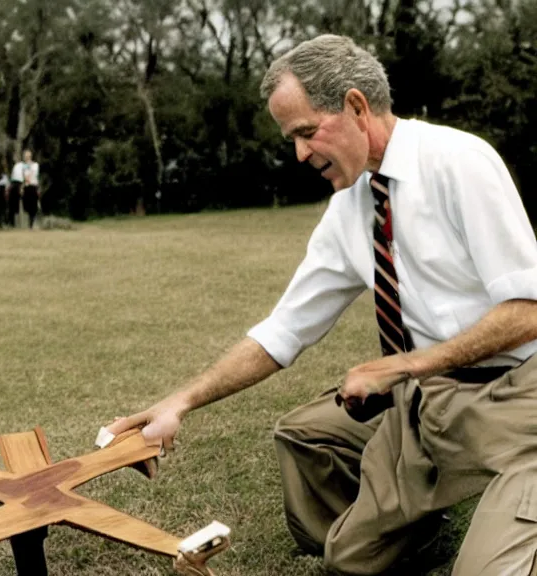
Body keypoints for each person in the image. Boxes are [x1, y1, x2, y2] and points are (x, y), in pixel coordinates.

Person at [108, 35, 537, 575]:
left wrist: (401, 366)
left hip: (522, 403)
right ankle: (426, 524)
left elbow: (527, 310)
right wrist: (180, 403)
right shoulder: (349, 207)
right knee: (347, 561)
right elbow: (284, 329)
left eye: (307, 132)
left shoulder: (460, 162)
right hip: (433, 404)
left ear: (357, 107)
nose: (300, 154)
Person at [9, 149, 40, 228]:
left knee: (33, 206)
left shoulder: (35, 165)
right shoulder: (22, 166)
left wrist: (25, 180)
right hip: (25, 186)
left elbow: (31, 175)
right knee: (26, 205)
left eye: (28, 156)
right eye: (25, 156)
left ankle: (32, 223)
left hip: (32, 186)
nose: (27, 158)